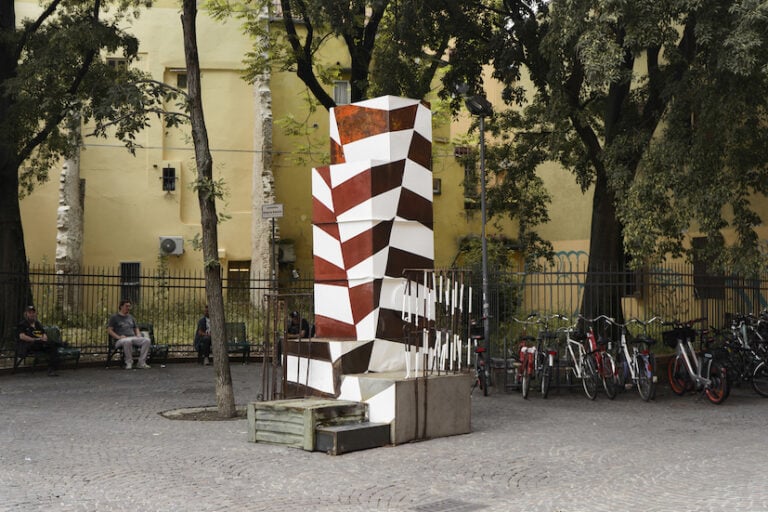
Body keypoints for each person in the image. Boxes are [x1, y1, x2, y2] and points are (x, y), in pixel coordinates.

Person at [17, 305, 62, 376]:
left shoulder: (37, 324)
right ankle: (59, 344)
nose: (32, 314)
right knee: (51, 344)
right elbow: (22, 336)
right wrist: (35, 339)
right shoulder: (23, 324)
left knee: (53, 347)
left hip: (40, 344)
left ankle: (51, 369)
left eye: (33, 313)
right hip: (29, 345)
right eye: (30, 313)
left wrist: (44, 338)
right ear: (26, 314)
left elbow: (43, 333)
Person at [107, 299, 151, 370]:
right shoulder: (114, 317)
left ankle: (141, 363)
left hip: (133, 337)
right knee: (127, 341)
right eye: (126, 306)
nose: (128, 308)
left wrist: (138, 334)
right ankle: (129, 362)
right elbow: (109, 330)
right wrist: (118, 337)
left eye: (129, 306)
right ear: (121, 306)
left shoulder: (131, 317)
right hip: (120, 340)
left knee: (147, 340)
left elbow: (136, 328)